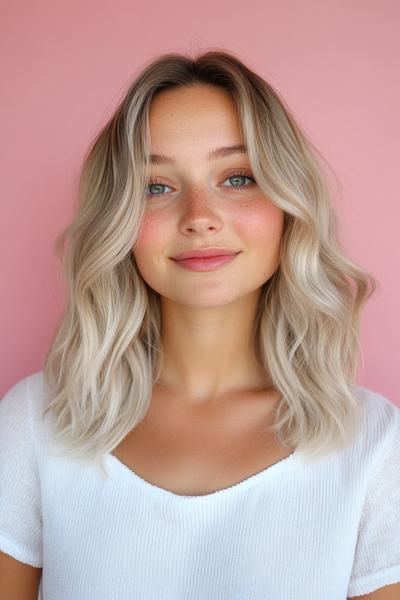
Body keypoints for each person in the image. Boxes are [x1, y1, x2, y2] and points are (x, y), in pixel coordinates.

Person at [1, 49, 399, 600]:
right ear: (118, 219)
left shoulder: (376, 447)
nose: (199, 216)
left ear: (289, 204)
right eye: (156, 187)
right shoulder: (32, 422)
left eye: (237, 178)